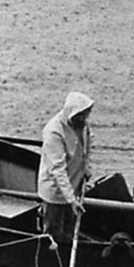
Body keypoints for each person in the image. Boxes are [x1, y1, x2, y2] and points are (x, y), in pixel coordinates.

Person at [37, 92, 94, 242]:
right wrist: (71, 200)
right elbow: (58, 170)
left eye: (86, 115)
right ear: (72, 114)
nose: (85, 119)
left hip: (73, 184)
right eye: (81, 115)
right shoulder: (54, 132)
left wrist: (85, 168)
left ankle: (67, 245)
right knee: (53, 235)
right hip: (56, 191)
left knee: (69, 230)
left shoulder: (82, 125)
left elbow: (87, 147)